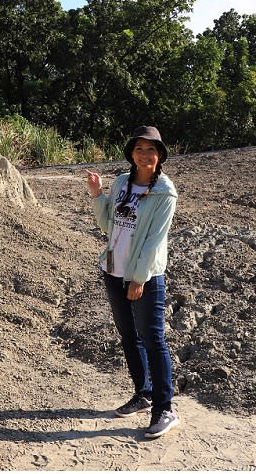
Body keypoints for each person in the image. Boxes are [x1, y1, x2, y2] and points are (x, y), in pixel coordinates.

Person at [84, 125, 180, 439]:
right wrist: (98, 195)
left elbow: (154, 241)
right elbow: (107, 225)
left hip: (144, 277)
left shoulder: (165, 192)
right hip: (113, 269)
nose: (145, 155)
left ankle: (165, 408)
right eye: (139, 149)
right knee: (129, 337)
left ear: (160, 155)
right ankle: (145, 392)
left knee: (153, 339)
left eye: (151, 150)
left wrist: (138, 278)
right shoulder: (123, 182)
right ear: (131, 153)